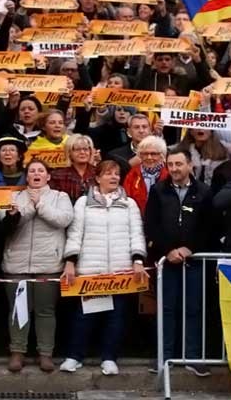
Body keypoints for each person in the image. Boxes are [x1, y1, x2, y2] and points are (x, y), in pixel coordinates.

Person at [60, 160, 147, 376]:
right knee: (84, 317)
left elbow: (136, 233)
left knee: (116, 318)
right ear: (97, 178)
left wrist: (137, 261)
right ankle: (74, 356)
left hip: (120, 272)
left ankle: (109, 358)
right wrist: (70, 261)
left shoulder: (129, 204)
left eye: (116, 174)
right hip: (91, 271)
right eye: (108, 174)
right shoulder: (82, 203)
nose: (114, 177)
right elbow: (75, 234)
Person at [0, 159, 73, 373]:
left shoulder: (61, 197)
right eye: (32, 171)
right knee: (18, 310)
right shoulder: (14, 197)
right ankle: (17, 351)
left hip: (48, 264)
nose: (37, 174)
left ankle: (45, 353)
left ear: (48, 176)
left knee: (45, 311)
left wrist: (39, 204)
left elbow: (63, 220)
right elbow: (7, 222)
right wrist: (28, 207)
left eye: (41, 171)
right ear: (27, 176)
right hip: (17, 264)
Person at [144, 148, 211, 375]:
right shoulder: (158, 190)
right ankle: (164, 357)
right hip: (167, 261)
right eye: (170, 164)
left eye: (178, 164)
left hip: (194, 261)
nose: (174, 169)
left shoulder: (204, 191)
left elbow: (210, 228)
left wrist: (190, 248)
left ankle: (193, 358)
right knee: (167, 310)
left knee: (194, 309)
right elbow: (151, 225)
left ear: (190, 164)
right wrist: (169, 250)